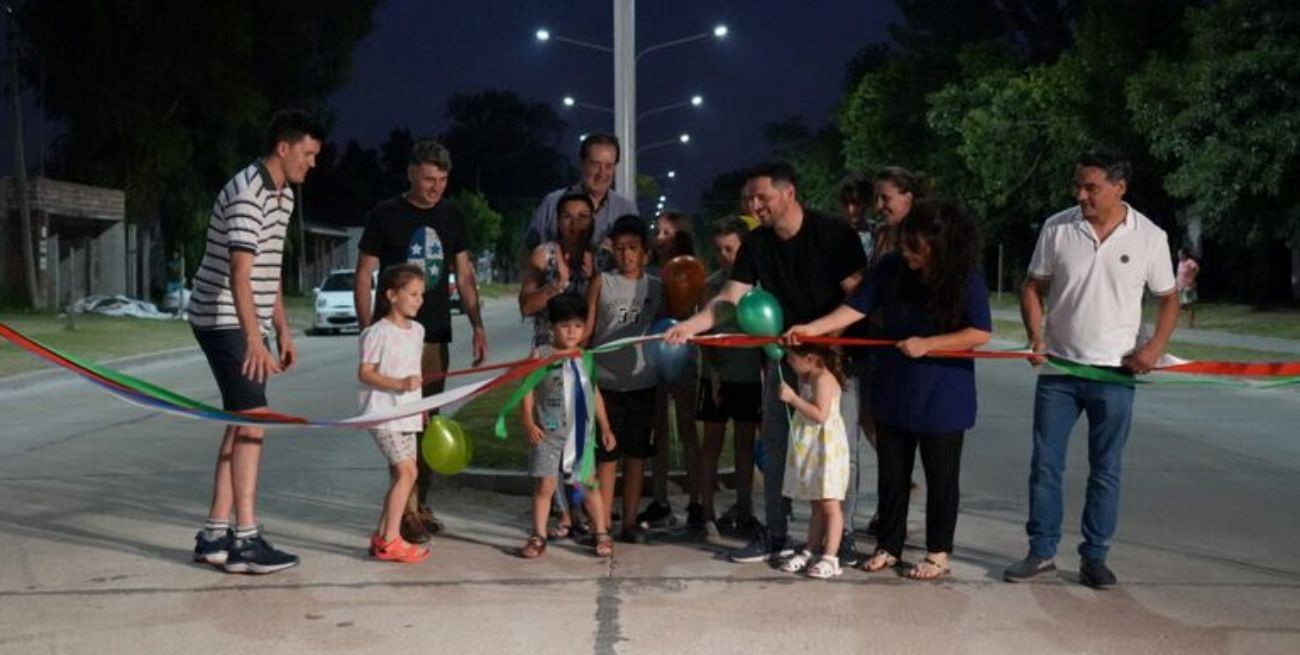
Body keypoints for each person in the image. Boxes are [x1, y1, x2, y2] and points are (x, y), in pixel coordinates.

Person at [664, 162, 867, 565]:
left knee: (840, 449)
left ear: (788, 192)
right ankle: (776, 533)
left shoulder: (834, 234)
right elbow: (730, 299)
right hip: (782, 356)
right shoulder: (756, 244)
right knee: (776, 445)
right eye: (749, 200)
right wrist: (692, 324)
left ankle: (838, 538)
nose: (755, 206)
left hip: (834, 357)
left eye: (763, 198)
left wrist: (820, 333)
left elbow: (859, 298)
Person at [787, 200, 992, 580]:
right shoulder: (890, 268)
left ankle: (937, 552)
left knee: (941, 477)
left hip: (944, 392)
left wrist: (929, 344)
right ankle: (889, 545)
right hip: (895, 385)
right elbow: (855, 308)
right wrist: (813, 329)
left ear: (941, 247)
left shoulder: (965, 275)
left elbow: (979, 332)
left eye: (917, 248)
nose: (909, 254)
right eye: (906, 245)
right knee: (892, 472)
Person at [1004, 151, 1178, 590]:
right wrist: (1036, 335)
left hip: (1115, 374)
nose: (1080, 195)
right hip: (1060, 371)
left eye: (1091, 187)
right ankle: (1041, 551)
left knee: (1106, 468)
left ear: (1120, 188)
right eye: (1078, 186)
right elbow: (1031, 284)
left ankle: (1094, 556)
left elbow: (1168, 297)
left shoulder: (1149, 237)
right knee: (1046, 464)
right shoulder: (1058, 227)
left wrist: (1154, 347)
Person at [189, 109, 324, 573]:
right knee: (254, 419)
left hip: (245, 316)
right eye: (307, 154)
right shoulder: (248, 192)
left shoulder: (283, 194)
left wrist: (282, 327)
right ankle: (245, 541)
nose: (312, 163)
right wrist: (253, 339)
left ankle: (213, 535)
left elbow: (268, 269)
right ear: (283, 148)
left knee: (240, 419)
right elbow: (240, 273)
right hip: (221, 315)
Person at [354, 139, 488, 544]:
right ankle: (406, 511)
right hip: (394, 335)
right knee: (401, 424)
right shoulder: (385, 214)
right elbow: (364, 273)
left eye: (443, 180)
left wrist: (477, 325)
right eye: (429, 178)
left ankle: (420, 501)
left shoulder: (452, 215)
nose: (435, 187)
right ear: (411, 172)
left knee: (427, 421)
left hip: (432, 336)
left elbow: (464, 275)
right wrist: (367, 328)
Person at [518, 292, 617, 559]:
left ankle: (601, 532)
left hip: (580, 433)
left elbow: (594, 393)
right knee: (545, 486)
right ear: (551, 327)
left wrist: (605, 428)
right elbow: (526, 390)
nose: (571, 332)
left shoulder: (585, 357)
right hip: (547, 434)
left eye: (577, 326)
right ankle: (538, 535)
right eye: (564, 326)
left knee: (587, 484)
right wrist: (527, 420)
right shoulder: (540, 355)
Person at [585, 214, 664, 544]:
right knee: (606, 459)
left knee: (635, 457)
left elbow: (666, 328)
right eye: (619, 249)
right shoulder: (602, 282)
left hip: (643, 384)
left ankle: (629, 522)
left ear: (645, 251)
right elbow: (588, 329)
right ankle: (601, 526)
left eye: (633, 248)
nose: (626, 255)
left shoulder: (657, 287)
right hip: (606, 387)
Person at [357, 264, 431, 564]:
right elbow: (365, 373)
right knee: (407, 472)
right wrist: (398, 384)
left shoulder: (418, 331)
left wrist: (420, 404)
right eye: (412, 294)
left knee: (406, 474)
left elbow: (415, 372)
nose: (419, 300)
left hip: (408, 414)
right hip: (382, 413)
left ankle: (381, 536)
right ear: (391, 295)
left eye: (421, 295)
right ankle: (391, 540)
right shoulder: (376, 333)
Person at [696, 217, 762, 537]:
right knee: (711, 443)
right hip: (717, 379)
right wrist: (713, 373)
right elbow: (703, 335)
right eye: (719, 250)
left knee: (745, 444)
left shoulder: (758, 286)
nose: (725, 256)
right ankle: (707, 512)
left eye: (731, 249)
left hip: (749, 377)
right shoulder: (710, 286)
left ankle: (745, 511)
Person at [640, 209, 703, 530]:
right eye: (658, 231)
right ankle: (660, 499)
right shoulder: (649, 271)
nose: (660, 238)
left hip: (685, 357)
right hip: (655, 357)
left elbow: (696, 314)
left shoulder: (692, 269)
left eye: (667, 232)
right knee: (658, 432)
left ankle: (696, 502)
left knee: (689, 429)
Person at [773, 344, 851, 580]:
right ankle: (811, 549)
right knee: (816, 502)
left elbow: (820, 415)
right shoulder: (808, 375)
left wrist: (793, 399)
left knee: (830, 504)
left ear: (809, 358)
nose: (788, 362)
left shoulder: (823, 379)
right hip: (814, 450)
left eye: (791, 358)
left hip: (826, 451)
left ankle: (831, 557)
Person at [525, 133, 638, 256]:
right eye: (595, 164)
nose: (602, 173)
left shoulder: (627, 210)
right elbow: (527, 253)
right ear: (581, 163)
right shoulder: (552, 203)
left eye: (609, 166)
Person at [519, 191, 597, 352]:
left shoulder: (602, 258)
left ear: (592, 221)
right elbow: (526, 307)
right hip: (550, 353)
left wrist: (594, 279)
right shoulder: (544, 255)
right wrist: (557, 285)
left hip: (588, 354)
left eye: (583, 216)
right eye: (567, 217)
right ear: (558, 222)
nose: (575, 223)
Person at [1176, 248, 1200, 328]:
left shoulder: (1189, 261)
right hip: (1180, 287)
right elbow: (1179, 275)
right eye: (1178, 254)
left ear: (1185, 254)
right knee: (1180, 305)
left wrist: (1191, 279)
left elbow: (1196, 269)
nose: (1179, 255)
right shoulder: (1180, 263)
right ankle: (1186, 321)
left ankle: (1191, 323)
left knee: (1189, 305)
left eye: (1180, 254)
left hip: (1187, 287)